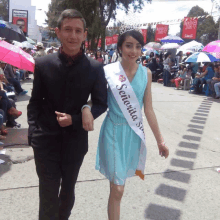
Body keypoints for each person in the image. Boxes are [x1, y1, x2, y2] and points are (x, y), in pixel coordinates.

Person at [27, 9, 107, 220]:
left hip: (75, 142)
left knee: (67, 192)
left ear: (85, 34)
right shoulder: (43, 64)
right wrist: (34, 134)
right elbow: (34, 103)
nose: (73, 35)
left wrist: (77, 118)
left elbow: (101, 103)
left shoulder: (95, 68)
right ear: (58, 32)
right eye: (68, 30)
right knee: (48, 193)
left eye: (78, 31)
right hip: (45, 142)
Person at [83, 29, 169, 220]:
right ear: (120, 47)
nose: (133, 51)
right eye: (129, 45)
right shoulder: (108, 72)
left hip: (132, 134)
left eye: (138, 46)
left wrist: (160, 141)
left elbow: (148, 110)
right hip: (112, 131)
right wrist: (85, 109)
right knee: (118, 188)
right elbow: (94, 101)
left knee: (117, 186)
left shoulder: (146, 74)